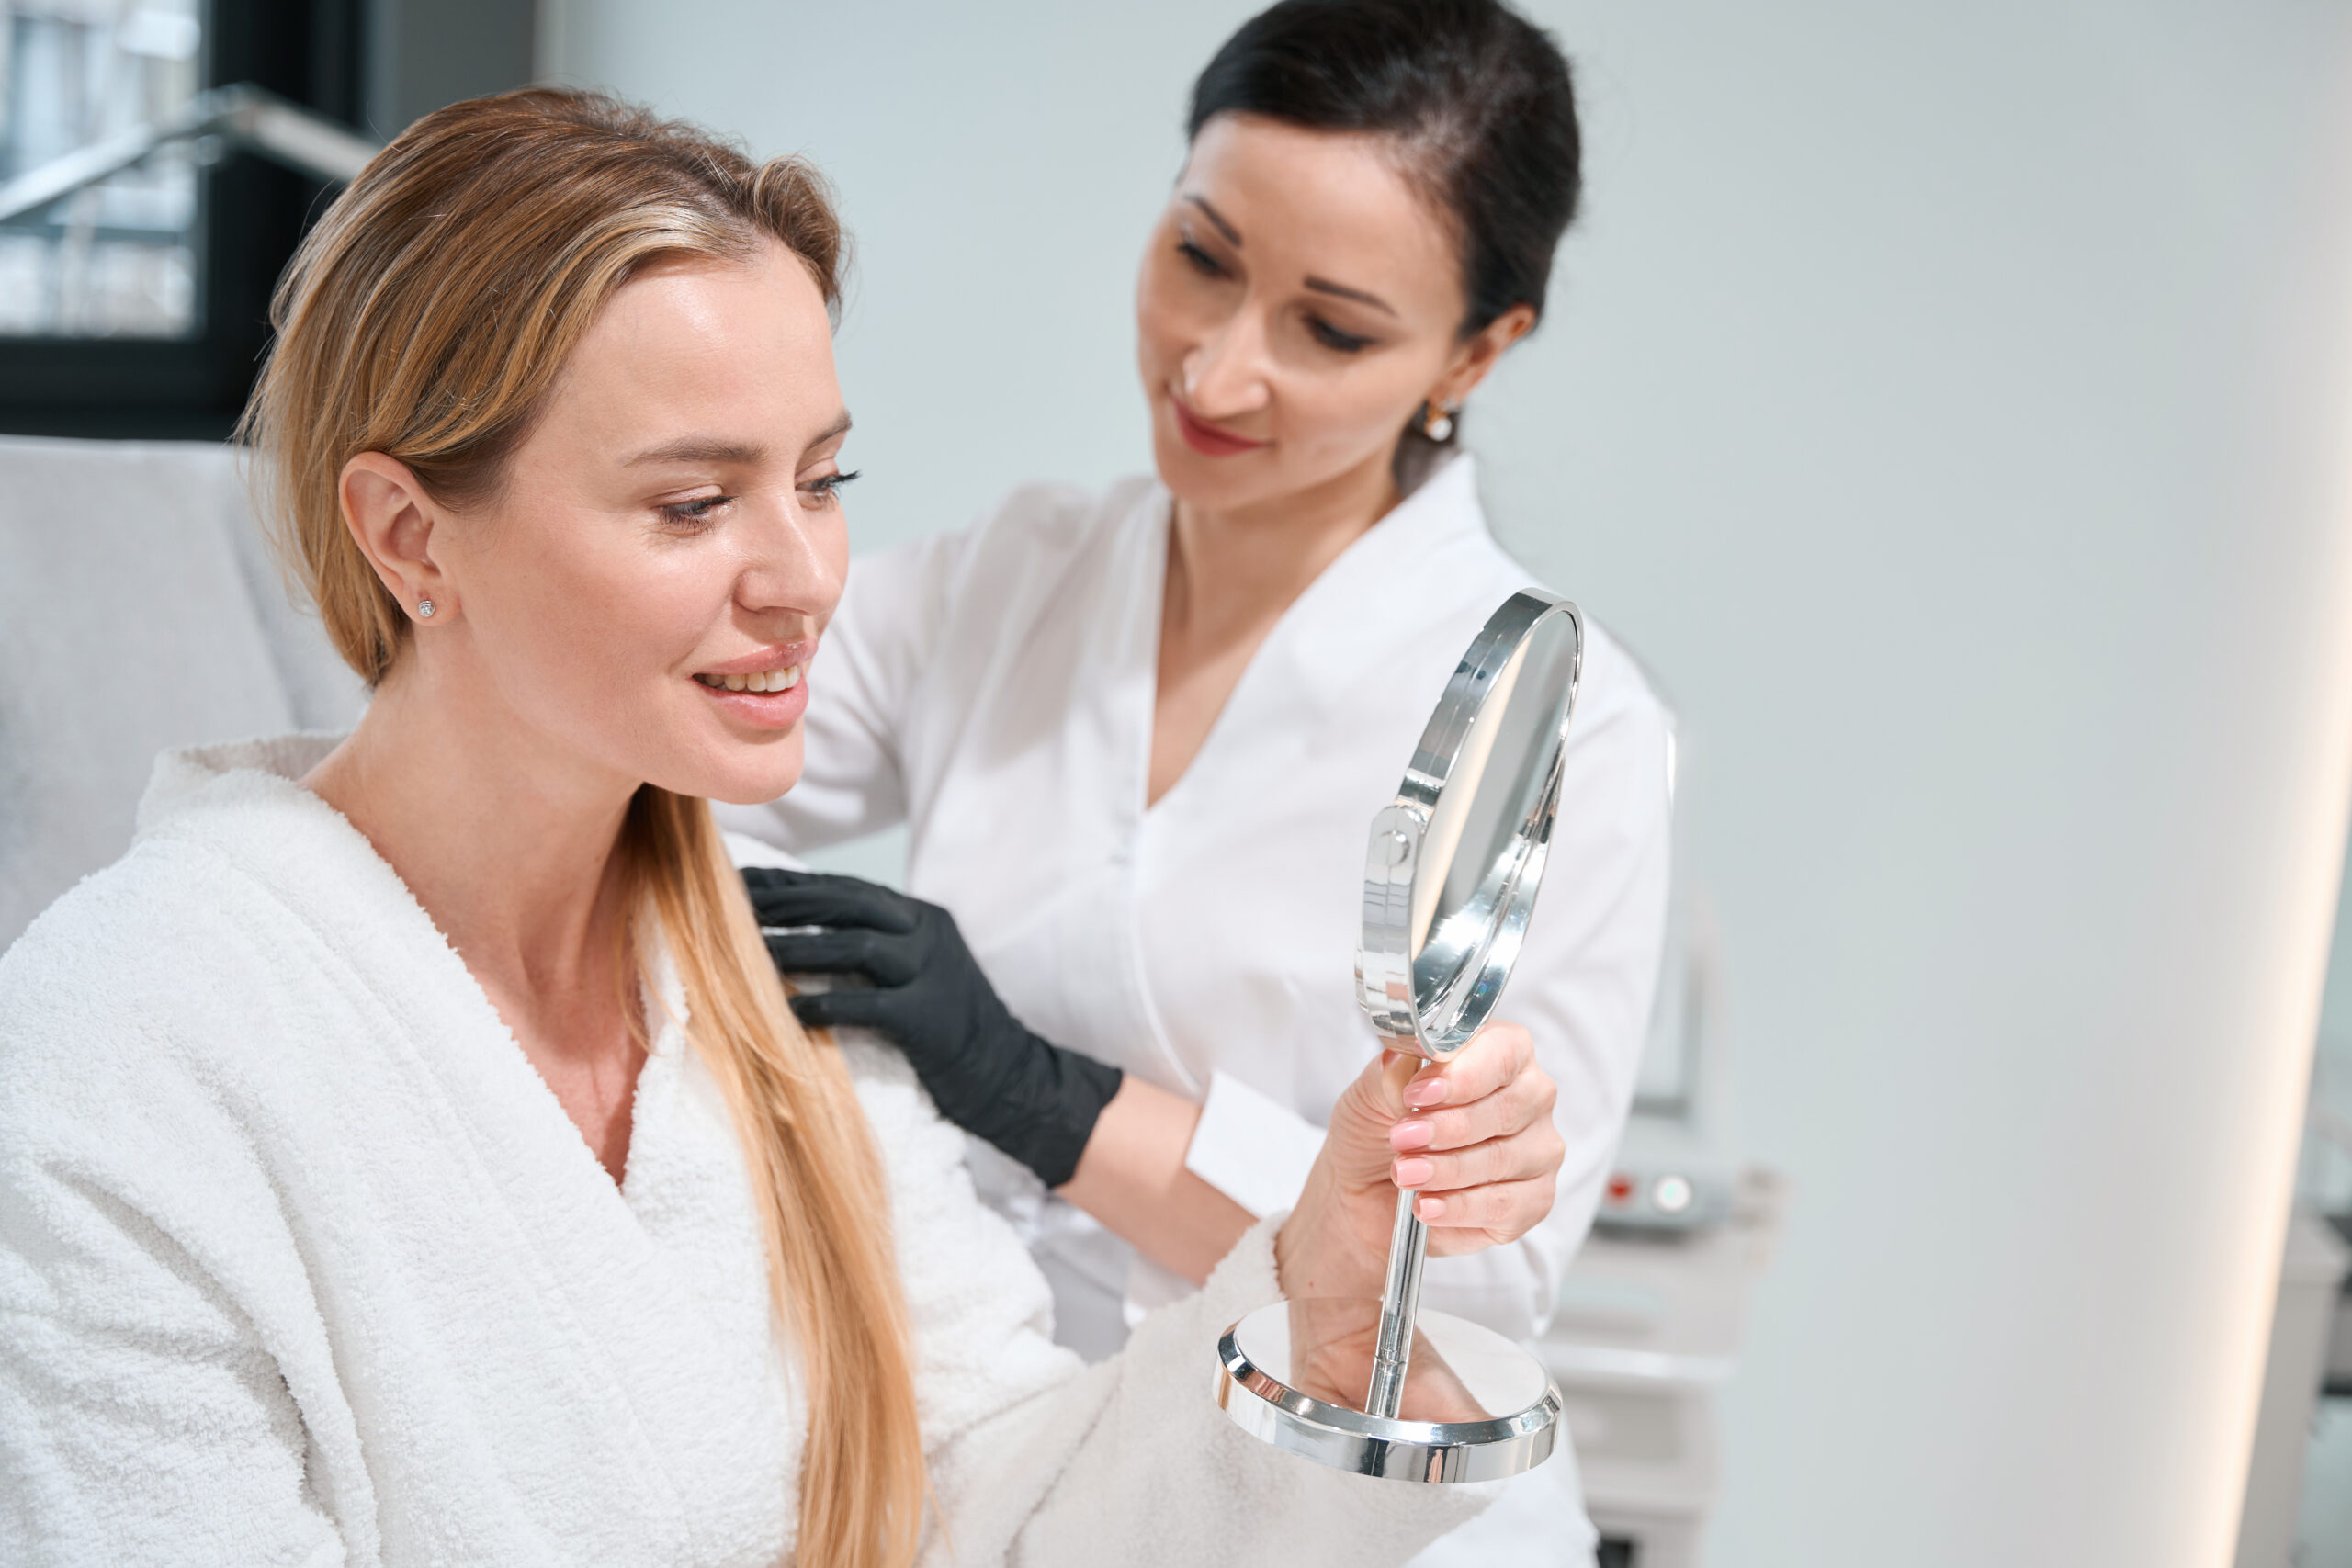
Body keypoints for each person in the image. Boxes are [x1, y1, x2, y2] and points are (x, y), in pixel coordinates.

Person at [0, 89, 1573, 1568]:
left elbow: (990, 1509)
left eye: (823, 480)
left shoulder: (772, 974)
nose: (807, 575)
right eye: (693, 504)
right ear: (412, 534)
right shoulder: (127, 1056)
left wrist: (1324, 1297)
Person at [722, 2, 1674, 1562]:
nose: (1218, 371)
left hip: (1329, 1508)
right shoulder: (1017, 581)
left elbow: (1465, 1283)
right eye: (1203, 257)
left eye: (1333, 328)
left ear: (1481, 348)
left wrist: (1047, 1099)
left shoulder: (1558, 733)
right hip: (1006, 1455)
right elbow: (678, 759)